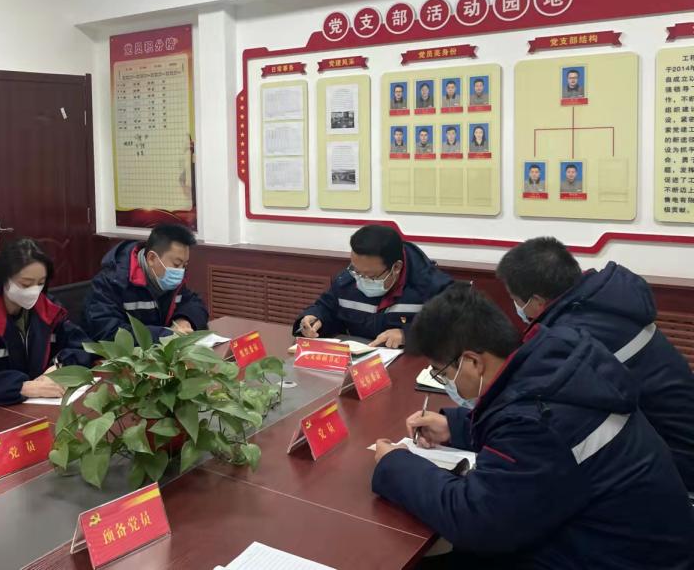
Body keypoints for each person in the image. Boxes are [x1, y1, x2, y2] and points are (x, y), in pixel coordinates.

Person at [373, 283, 693, 569]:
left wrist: (396, 465)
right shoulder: (555, 360)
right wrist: (455, 427)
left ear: (472, 362)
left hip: (619, 556)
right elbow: (541, 438)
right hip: (632, 538)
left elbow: (478, 522)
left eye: (441, 373)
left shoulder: (536, 421)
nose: (445, 382)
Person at [496, 237, 694, 489]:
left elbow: (543, 414)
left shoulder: (573, 339)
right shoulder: (605, 303)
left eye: (515, 299)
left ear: (536, 301)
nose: (517, 307)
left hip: (675, 464)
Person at [0, 239, 95, 410]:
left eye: (40, 283)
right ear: (4, 279)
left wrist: (59, 367)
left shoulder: (48, 310)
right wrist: (23, 387)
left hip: (32, 408)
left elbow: (84, 346)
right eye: (26, 284)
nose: (34, 291)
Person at [294, 225, 452, 348]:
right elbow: (327, 308)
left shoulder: (433, 286)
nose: (360, 279)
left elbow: (458, 327)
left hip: (409, 367)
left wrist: (408, 335)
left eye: (370, 275)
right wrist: (314, 319)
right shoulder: (348, 280)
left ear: (396, 267)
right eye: (356, 270)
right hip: (360, 363)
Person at [84, 224, 209, 342]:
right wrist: (166, 335)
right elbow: (107, 331)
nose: (180, 271)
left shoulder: (171, 280)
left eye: (184, 265)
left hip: (161, 352)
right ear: (152, 259)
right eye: (176, 264)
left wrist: (184, 320)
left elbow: (194, 303)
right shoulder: (111, 282)